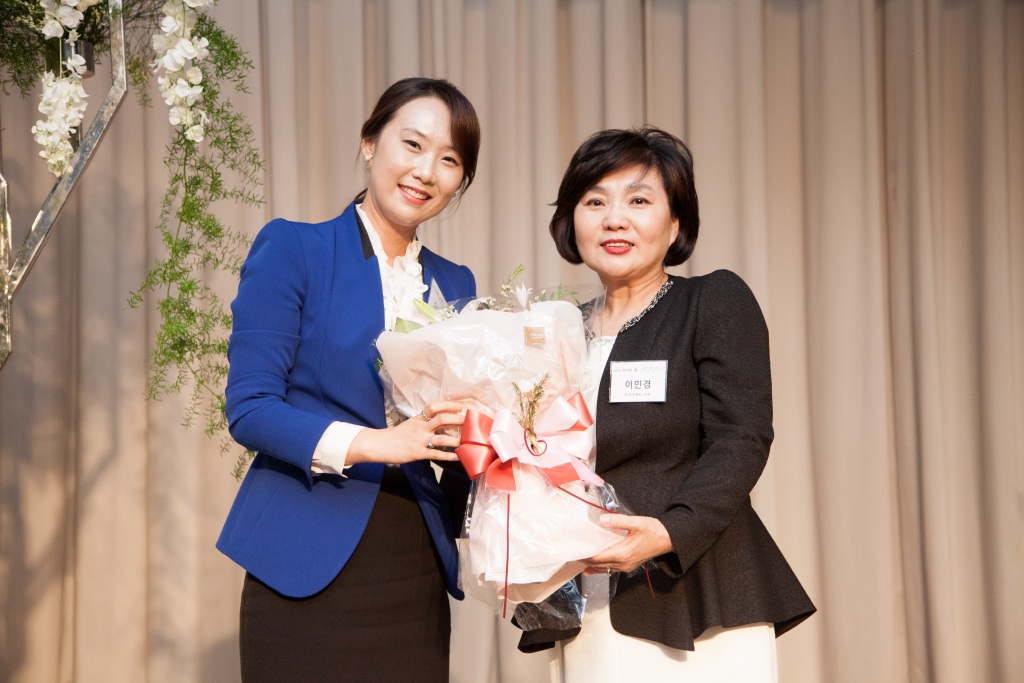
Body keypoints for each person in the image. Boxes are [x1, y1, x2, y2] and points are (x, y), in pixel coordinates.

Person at [216, 77, 481, 682]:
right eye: (412, 145)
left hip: (414, 556)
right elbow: (251, 408)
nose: (426, 171)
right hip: (303, 555)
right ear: (369, 144)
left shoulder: (455, 282)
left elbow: (458, 427)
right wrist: (382, 443)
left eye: (449, 160)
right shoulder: (295, 247)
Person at [530, 127, 816, 681]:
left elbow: (742, 437)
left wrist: (668, 533)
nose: (615, 219)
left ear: (676, 223)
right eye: (595, 202)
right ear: (571, 221)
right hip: (583, 593)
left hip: (693, 592)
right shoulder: (552, 332)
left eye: (639, 201)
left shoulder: (710, 301)